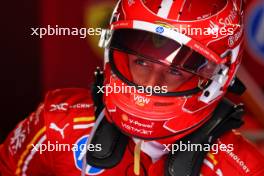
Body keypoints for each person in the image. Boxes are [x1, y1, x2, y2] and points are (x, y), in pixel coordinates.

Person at [1, 0, 264, 175]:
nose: (151, 85)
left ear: (219, 76)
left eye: (174, 70)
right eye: (141, 61)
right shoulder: (59, 126)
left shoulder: (241, 168)